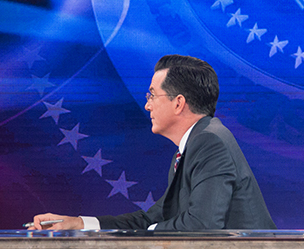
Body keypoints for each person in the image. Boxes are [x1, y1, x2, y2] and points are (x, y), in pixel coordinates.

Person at [31, 55, 276, 231]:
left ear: (179, 103)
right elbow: (154, 218)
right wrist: (80, 223)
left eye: (151, 95)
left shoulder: (209, 142)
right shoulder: (193, 146)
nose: (147, 105)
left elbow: (202, 225)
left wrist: (149, 233)